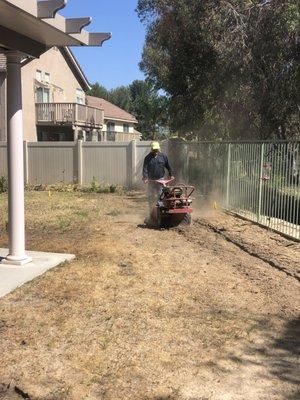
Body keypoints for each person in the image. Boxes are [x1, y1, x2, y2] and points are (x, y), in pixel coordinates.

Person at [142, 141, 174, 219]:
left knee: (161, 195)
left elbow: (168, 166)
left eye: (157, 149)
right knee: (151, 196)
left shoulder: (163, 156)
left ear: (159, 148)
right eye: (154, 149)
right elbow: (145, 169)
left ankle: (161, 213)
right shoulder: (147, 158)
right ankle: (151, 213)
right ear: (151, 149)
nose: (155, 151)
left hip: (161, 180)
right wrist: (145, 178)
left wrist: (171, 175)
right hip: (151, 180)